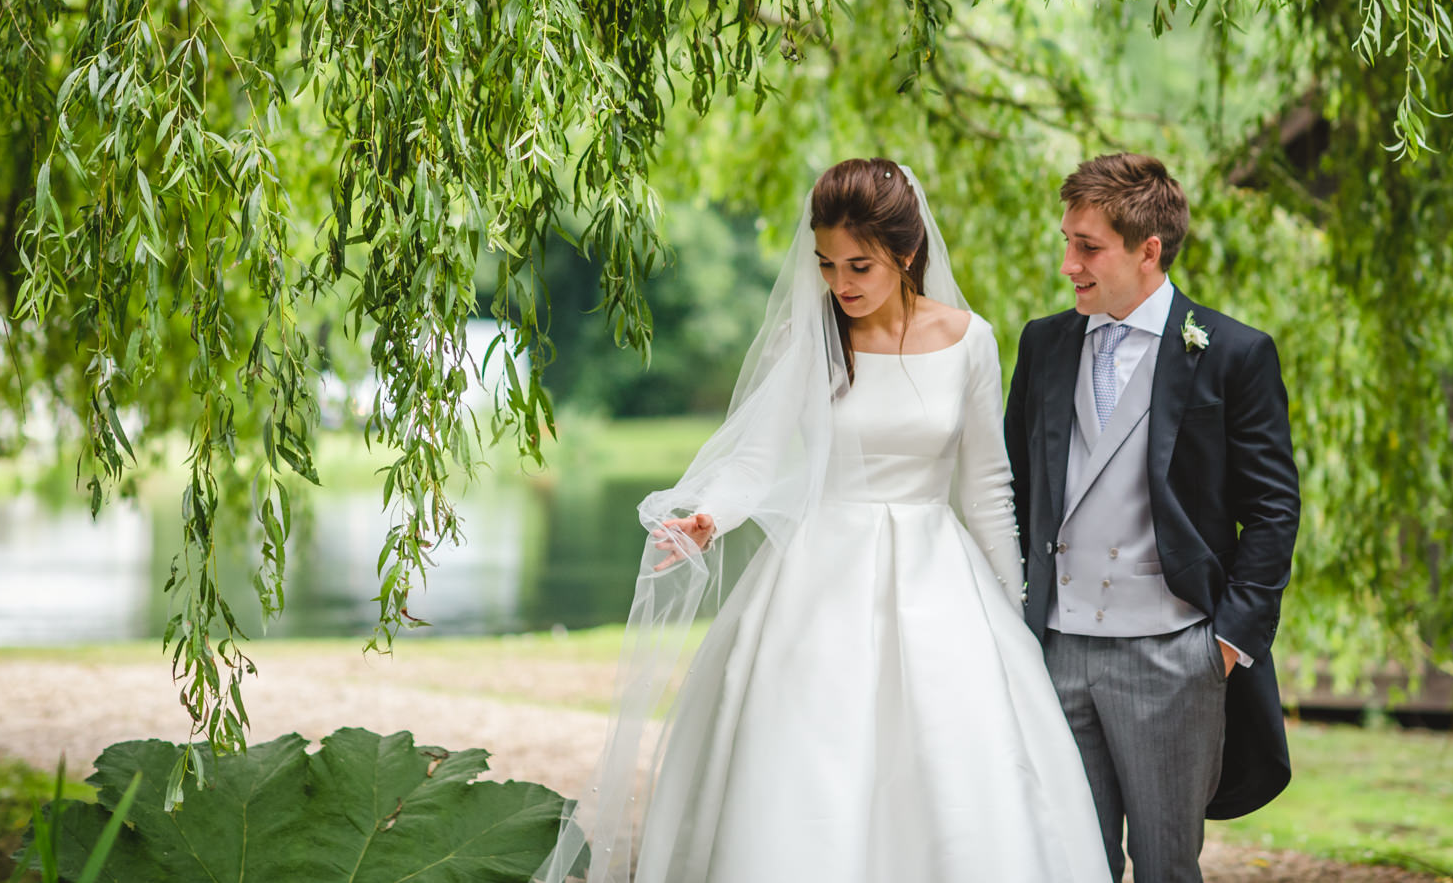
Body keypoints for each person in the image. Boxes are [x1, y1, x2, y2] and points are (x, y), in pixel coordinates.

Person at [539, 159, 1109, 883]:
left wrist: (1012, 609)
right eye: (827, 263)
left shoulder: (971, 341)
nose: (841, 282)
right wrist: (711, 514)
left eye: (859, 264)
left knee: (958, 763)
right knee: (809, 764)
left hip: (940, 579)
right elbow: (759, 452)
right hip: (819, 576)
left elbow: (989, 486)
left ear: (906, 254)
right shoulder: (810, 338)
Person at [1006, 153, 1300, 883]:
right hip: (1058, 649)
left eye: (1088, 246)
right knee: (1072, 863)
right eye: (1068, 241)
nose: (1068, 263)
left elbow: (1273, 508)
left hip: (1175, 655)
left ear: (1148, 250)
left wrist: (1227, 641)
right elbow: (1012, 487)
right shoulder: (1043, 344)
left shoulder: (1233, 353)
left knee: (1168, 867)